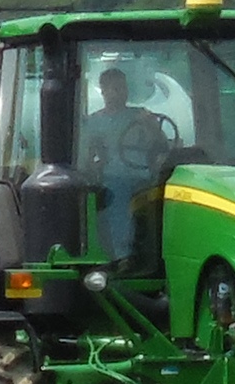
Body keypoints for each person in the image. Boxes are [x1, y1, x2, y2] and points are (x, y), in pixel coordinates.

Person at [76, 65, 180, 258]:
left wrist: (151, 126)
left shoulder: (141, 115)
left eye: (122, 88)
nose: (119, 93)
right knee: (118, 201)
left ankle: (166, 252)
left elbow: (162, 145)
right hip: (114, 178)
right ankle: (123, 255)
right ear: (104, 90)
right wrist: (92, 170)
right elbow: (87, 156)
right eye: (113, 88)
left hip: (147, 177)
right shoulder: (93, 122)